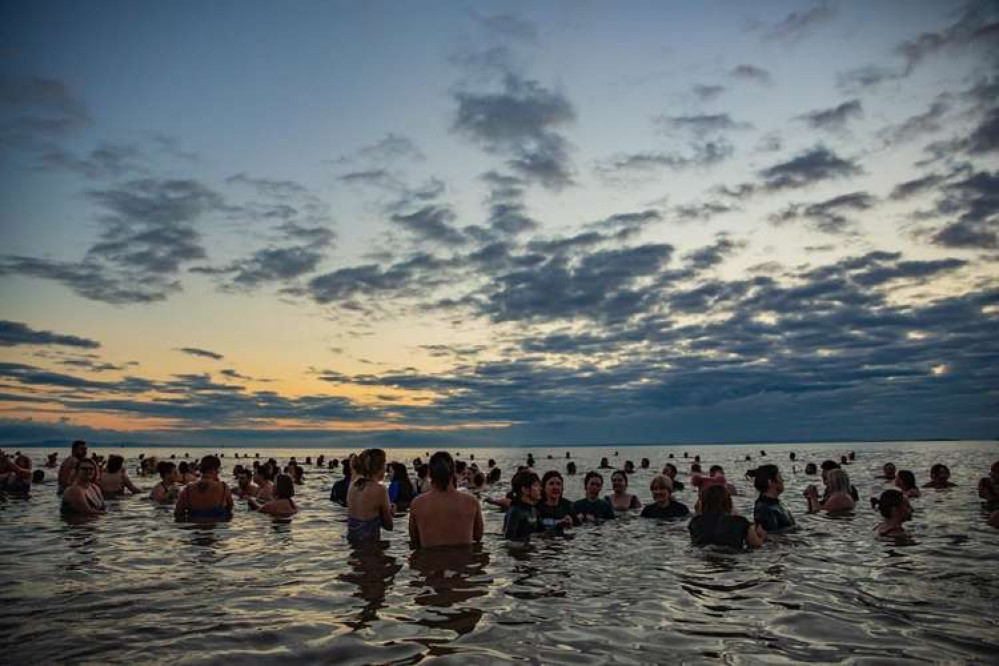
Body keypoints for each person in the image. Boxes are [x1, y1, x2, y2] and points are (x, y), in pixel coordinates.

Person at [409, 451, 484, 548]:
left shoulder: (417, 503)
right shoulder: (472, 502)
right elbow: (478, 537)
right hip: (464, 561)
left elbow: (414, 541)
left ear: (430, 473)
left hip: (429, 562)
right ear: (453, 473)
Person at [689, 485, 765, 549]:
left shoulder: (694, 522)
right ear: (728, 502)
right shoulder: (740, 522)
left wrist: (699, 513)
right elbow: (756, 545)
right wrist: (762, 536)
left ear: (703, 503)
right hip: (731, 555)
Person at [346, 448, 393, 542]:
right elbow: (388, 526)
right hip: (370, 544)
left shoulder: (352, 485)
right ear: (380, 468)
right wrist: (391, 512)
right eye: (385, 464)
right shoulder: (380, 489)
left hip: (352, 542)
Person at [173, 455, 234, 521]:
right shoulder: (223, 487)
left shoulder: (187, 489)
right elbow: (229, 509)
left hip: (194, 528)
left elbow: (178, 513)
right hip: (216, 528)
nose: (218, 472)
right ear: (214, 470)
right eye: (218, 469)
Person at [753, 464, 796, 533]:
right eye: (779, 477)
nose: (782, 480)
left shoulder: (778, 503)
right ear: (770, 482)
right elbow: (772, 535)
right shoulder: (764, 508)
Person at [503, 470, 542, 540]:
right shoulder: (515, 512)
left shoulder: (534, 510)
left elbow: (540, 532)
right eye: (536, 485)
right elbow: (509, 539)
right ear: (525, 489)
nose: (540, 488)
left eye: (540, 485)